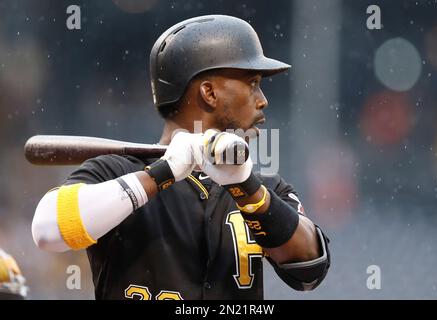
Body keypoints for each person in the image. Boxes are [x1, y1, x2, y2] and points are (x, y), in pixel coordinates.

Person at [32, 14, 330, 300]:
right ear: (209, 93)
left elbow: (310, 269)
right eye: (252, 82)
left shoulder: (264, 188)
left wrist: (246, 186)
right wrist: (163, 173)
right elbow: (47, 231)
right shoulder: (116, 172)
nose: (262, 99)